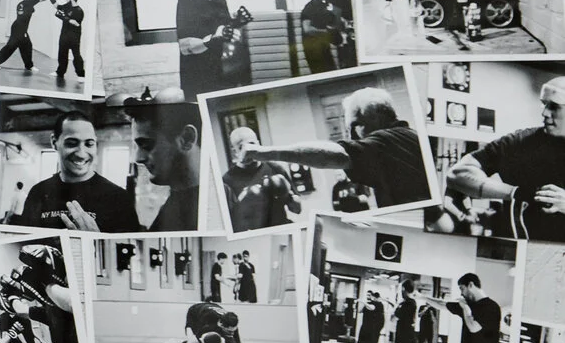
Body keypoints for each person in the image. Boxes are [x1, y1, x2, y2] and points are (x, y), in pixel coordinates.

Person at [237, 85, 430, 215]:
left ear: (376, 118)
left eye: (355, 126)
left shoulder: (385, 141)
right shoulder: (410, 138)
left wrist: (261, 152)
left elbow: (340, 154)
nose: (353, 136)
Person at [443, 75, 565, 243]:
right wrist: (514, 193)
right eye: (544, 105)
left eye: (554, 107)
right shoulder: (520, 142)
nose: (544, 113)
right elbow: (456, 174)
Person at [10, 110, 143, 233]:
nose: (81, 154)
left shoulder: (119, 198)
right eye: (72, 143)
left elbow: (133, 256)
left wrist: (96, 241)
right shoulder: (38, 193)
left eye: (89, 144)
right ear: (54, 142)